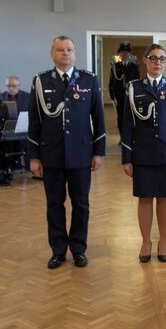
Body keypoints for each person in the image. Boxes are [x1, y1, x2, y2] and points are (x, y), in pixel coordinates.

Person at [28, 36, 106, 269]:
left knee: (81, 204)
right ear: (52, 54)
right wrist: (34, 156)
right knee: (54, 204)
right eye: (60, 49)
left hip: (81, 153)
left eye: (69, 49)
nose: (65, 53)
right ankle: (58, 250)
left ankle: (78, 249)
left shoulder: (89, 80)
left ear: (75, 53)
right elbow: (34, 121)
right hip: (51, 154)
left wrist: (98, 152)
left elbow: (98, 119)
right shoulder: (40, 81)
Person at [121, 44, 166, 263]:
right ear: (145, 60)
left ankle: (163, 241)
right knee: (145, 199)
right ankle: (146, 242)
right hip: (142, 153)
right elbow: (127, 124)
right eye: (153, 58)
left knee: (164, 198)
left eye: (162, 59)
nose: (158, 63)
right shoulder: (133, 88)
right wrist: (126, 157)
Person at [109, 41, 140, 138]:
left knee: (132, 117)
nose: (124, 54)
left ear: (130, 54)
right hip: (119, 97)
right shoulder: (115, 67)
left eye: (126, 52)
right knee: (121, 117)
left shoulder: (134, 67)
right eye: (122, 52)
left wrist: (137, 96)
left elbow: (137, 82)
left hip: (131, 96)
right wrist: (112, 97)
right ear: (119, 54)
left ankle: (131, 137)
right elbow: (111, 82)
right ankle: (122, 137)